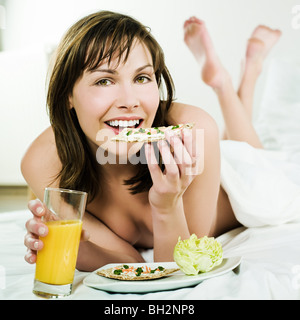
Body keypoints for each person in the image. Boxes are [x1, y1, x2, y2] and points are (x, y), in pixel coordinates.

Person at [22, 11, 281, 271]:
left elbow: (179, 266)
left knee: (252, 154)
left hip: (239, 179)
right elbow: (131, 263)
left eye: (141, 78)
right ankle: (240, 78)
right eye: (104, 80)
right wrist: (78, 250)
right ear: (67, 94)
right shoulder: (42, 161)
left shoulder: (195, 129)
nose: (130, 100)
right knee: (237, 145)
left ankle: (233, 80)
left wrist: (167, 204)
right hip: (217, 153)